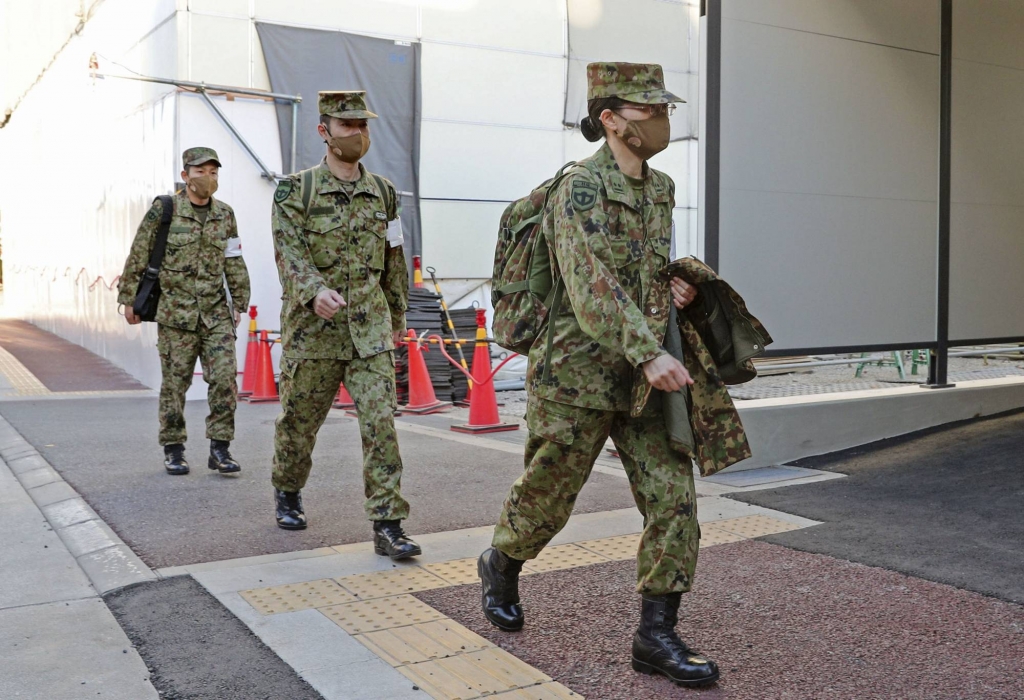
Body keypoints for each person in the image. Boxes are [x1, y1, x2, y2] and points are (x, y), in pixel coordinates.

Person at [478, 63, 720, 687]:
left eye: (666, 108)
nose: (664, 120)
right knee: (548, 498)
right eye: (649, 110)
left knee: (675, 499)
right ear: (610, 118)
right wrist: (647, 350)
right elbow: (590, 286)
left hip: (643, 380)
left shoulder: (660, 188)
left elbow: (640, 269)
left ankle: (655, 635)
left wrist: (676, 290)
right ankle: (501, 563)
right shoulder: (578, 190)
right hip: (577, 375)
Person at [269, 90, 421, 560]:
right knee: (300, 423)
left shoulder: (384, 192)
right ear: (324, 131)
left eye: (363, 126)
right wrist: (313, 291)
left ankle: (388, 523)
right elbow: (288, 251)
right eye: (347, 126)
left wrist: (397, 316)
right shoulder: (296, 191)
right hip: (314, 334)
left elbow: (394, 260)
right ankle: (288, 488)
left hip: (370, 332)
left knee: (381, 426)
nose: (357, 134)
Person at [119, 147, 250, 476]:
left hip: (215, 312)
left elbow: (233, 259)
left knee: (224, 379)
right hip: (176, 314)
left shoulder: (225, 215)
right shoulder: (165, 210)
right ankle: (173, 448)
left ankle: (220, 448)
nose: (208, 178)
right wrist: (129, 299)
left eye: (214, 172)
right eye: (201, 171)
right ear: (185, 175)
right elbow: (139, 253)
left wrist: (240, 301)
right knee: (175, 385)